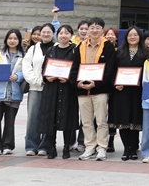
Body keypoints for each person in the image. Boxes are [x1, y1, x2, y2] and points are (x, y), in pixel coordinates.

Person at [71, 17, 117, 161]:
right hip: (83, 90)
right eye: (92, 27)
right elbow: (75, 67)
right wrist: (77, 83)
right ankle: (90, 147)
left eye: (98, 27)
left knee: (101, 120)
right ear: (88, 29)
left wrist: (96, 84)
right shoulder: (80, 46)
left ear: (102, 30)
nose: (95, 30)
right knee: (86, 121)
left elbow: (109, 70)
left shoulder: (108, 46)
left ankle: (102, 147)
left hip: (100, 90)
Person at [38, 24, 79, 159]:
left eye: (67, 33)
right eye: (61, 33)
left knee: (67, 117)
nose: (63, 36)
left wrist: (69, 79)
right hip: (52, 89)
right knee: (51, 117)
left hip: (67, 89)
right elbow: (44, 68)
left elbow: (77, 69)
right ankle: (52, 147)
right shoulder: (51, 50)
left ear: (71, 36)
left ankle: (67, 146)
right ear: (57, 35)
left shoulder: (75, 51)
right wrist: (46, 76)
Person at [109, 26, 145, 161]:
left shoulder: (145, 53)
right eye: (130, 35)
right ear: (126, 37)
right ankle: (126, 148)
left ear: (140, 37)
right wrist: (115, 83)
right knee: (123, 120)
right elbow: (111, 70)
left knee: (134, 120)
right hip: (121, 92)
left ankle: (133, 148)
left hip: (137, 92)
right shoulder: (119, 53)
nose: (133, 37)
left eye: (135, 35)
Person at [0, 29, 24, 156]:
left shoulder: (23, 56)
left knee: (10, 122)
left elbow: (27, 71)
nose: (12, 41)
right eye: (10, 38)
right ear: (6, 40)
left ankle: (8, 145)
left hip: (13, 93)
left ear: (19, 40)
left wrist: (18, 76)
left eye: (15, 38)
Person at [22, 22, 55, 156]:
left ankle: (45, 146)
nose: (46, 34)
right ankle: (31, 146)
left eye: (49, 32)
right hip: (35, 88)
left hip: (51, 88)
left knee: (48, 118)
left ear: (53, 34)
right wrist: (36, 80)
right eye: (43, 32)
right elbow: (26, 66)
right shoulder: (33, 49)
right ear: (40, 34)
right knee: (32, 118)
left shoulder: (56, 48)